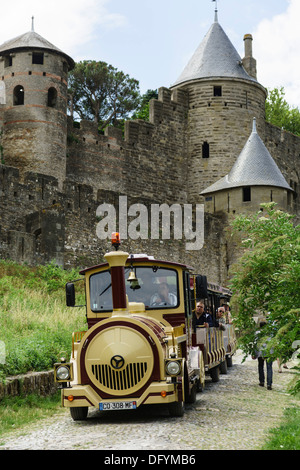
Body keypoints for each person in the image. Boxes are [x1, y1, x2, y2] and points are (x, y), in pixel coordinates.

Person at [252, 321, 273, 390]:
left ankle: (261, 381)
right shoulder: (270, 333)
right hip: (269, 352)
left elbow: (255, 344)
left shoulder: (257, 333)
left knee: (260, 366)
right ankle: (269, 384)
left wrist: (254, 353)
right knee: (269, 367)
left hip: (260, 352)